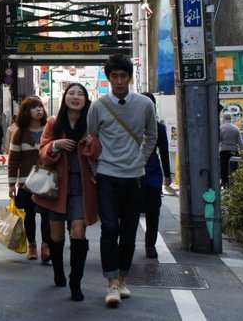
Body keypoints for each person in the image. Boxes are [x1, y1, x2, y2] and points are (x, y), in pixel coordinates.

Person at [87, 54, 158, 308]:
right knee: (109, 229)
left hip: (134, 176)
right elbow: (91, 140)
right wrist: (96, 169)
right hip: (107, 175)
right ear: (108, 78)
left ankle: (124, 278)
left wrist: (140, 160)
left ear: (129, 77)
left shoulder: (144, 105)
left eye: (122, 76)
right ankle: (112, 283)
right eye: (114, 76)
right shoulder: (98, 106)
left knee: (129, 231)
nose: (118, 81)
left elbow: (152, 136)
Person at [35, 83, 101, 301]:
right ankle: (58, 270)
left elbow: (98, 152)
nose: (75, 97)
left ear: (86, 99)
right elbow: (43, 153)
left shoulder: (91, 123)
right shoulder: (54, 123)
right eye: (71, 93)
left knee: (78, 232)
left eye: (80, 94)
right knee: (55, 235)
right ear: (65, 98)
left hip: (82, 188)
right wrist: (55, 145)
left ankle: (76, 281)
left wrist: (91, 144)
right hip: (56, 187)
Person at [8, 96, 51, 262]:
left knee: (47, 215)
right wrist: (12, 184)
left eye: (40, 106)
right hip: (26, 183)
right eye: (34, 107)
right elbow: (13, 160)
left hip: (47, 180)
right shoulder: (19, 133)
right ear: (26, 111)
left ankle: (46, 246)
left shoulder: (50, 129)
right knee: (30, 215)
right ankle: (32, 245)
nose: (39, 109)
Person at [141, 92, 172, 259]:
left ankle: (150, 245)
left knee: (153, 209)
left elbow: (164, 151)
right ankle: (126, 244)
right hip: (131, 171)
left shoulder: (159, 127)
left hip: (152, 173)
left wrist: (167, 174)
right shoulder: (130, 124)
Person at [219, 113, 243, 187]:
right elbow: (241, 143)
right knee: (233, 168)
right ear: (230, 119)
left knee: (223, 168)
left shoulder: (221, 128)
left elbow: (218, 141)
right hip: (234, 151)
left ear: (224, 119)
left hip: (224, 151)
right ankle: (232, 183)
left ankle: (224, 182)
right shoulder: (236, 128)